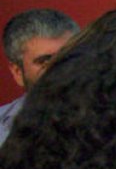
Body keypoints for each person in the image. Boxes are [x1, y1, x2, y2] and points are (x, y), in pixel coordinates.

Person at [0, 8, 78, 146]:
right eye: (44, 62)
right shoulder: (3, 131)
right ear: (18, 72)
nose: (60, 69)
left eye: (68, 57)